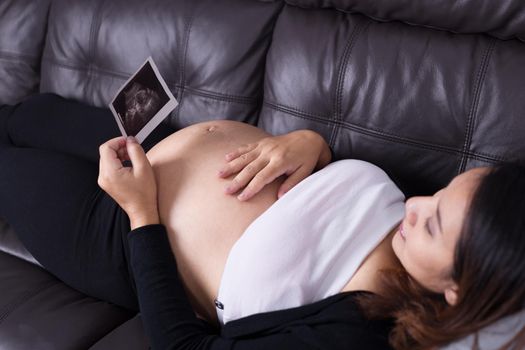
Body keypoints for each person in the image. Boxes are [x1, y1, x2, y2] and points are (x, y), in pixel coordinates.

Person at [0, 93, 524, 350]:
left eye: (433, 223)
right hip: (149, 143)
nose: (415, 204)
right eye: (440, 193)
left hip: (116, 231)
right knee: (26, 111)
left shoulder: (353, 336)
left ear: (459, 291)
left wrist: (142, 213)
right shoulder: (430, 243)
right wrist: (314, 145)